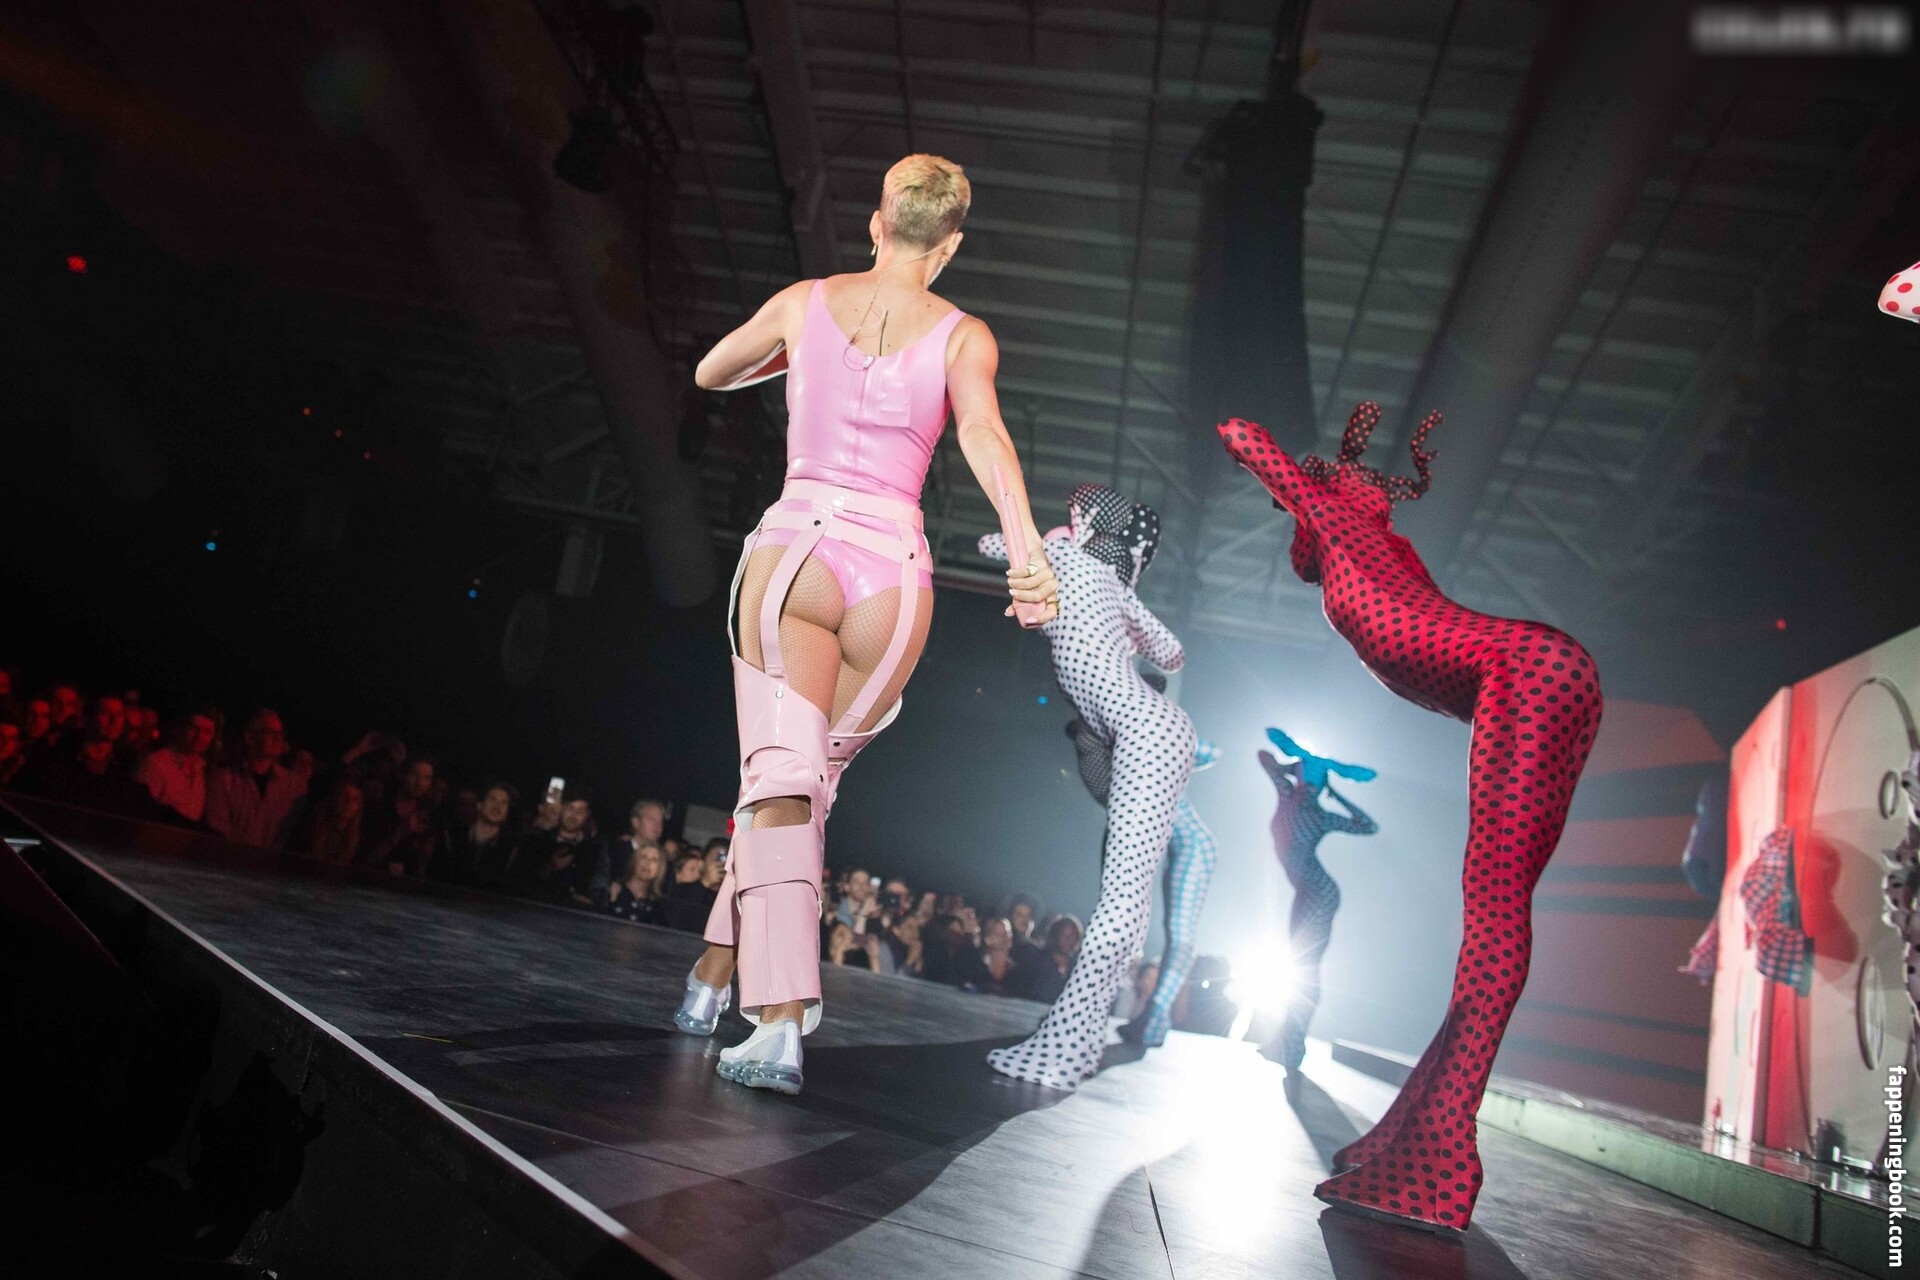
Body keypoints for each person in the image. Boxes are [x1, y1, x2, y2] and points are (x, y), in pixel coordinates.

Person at [674, 154, 1060, 1096]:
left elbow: (710, 372)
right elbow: (982, 434)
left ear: (877, 224)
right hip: (894, 578)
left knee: (779, 785)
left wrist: (796, 355)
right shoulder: (965, 335)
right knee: (799, 788)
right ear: (950, 245)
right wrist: (1026, 551)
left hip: (795, 559)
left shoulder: (804, 302)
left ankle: (778, 1019)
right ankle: (711, 975)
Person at [1219, 402, 1602, 1232]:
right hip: (1554, 669)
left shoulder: (1333, 519)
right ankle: (1416, 1134)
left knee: (1493, 918)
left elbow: (1240, 432)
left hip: (1520, 670)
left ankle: (1441, 1161)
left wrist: (1287, 480)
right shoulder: (1389, 552)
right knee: (1500, 915)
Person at [979, 484, 1193, 1089]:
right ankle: (1076, 1036)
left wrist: (1051, 544)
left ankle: (1068, 1047)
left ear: (1087, 519)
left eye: (1076, 513)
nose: (1069, 520)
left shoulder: (1063, 557)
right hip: (1152, 728)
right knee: (1126, 899)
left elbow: (991, 542)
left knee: (1122, 900)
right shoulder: (1117, 590)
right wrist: (1123, 602)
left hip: (1141, 729)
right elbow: (1173, 653)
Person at [1067, 696, 1223, 1050]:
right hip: (1163, 845)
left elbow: (1212, 752)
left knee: (1179, 935)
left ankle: (1154, 1018)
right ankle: (1128, 1015)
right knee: (1131, 922)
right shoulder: (1107, 765)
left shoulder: (1152, 743)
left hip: (1193, 846)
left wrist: (1167, 736)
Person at [1255, 728, 1379, 1071]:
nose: (1308, 788)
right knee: (1297, 964)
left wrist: (1335, 791)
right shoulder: (1289, 796)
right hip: (1308, 892)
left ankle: (1293, 1047)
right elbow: (1263, 757)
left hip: (1319, 892)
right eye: (1305, 781)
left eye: (1313, 784)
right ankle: (1286, 1044)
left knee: (1305, 967)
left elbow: (1369, 827)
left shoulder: (1314, 811)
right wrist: (1300, 762)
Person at [204, 708, 308, 849]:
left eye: (280, 733)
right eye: (270, 732)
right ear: (250, 737)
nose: (278, 738)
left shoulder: (295, 786)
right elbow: (217, 833)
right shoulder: (223, 780)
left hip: (274, 862)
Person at [518, 793, 609, 909]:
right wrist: (550, 866)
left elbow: (600, 881)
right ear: (561, 809)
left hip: (575, 913)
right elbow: (520, 880)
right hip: (536, 909)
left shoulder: (595, 849)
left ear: (587, 815)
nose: (574, 815)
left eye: (580, 812)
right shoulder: (536, 840)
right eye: (570, 808)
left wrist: (593, 902)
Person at [135, 707, 217, 824]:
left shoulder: (201, 772)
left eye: (207, 732)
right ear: (182, 729)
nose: (199, 737)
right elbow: (138, 813)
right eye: (194, 728)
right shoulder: (156, 763)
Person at [361, 756, 441, 876]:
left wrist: (424, 857)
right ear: (402, 775)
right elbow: (364, 858)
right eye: (414, 775)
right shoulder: (380, 804)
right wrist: (401, 830)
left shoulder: (427, 811)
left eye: (427, 778)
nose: (420, 783)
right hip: (371, 878)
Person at [436, 781, 518, 888]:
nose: (498, 806)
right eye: (493, 799)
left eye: (504, 803)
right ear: (479, 805)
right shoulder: (452, 836)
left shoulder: (511, 849)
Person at [1011, 915, 1082, 1005]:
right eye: (1064, 934)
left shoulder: (1078, 969)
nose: (1068, 939)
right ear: (1055, 935)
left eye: (1072, 936)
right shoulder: (1036, 961)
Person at [301, 778, 365, 865]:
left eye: (355, 799)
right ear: (335, 799)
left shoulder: (354, 835)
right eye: (345, 797)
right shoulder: (316, 826)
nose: (349, 803)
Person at [610, 839, 668, 924]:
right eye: (643, 857)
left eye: (654, 860)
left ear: (659, 868)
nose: (648, 863)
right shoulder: (614, 889)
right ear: (634, 862)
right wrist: (612, 899)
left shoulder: (657, 904)